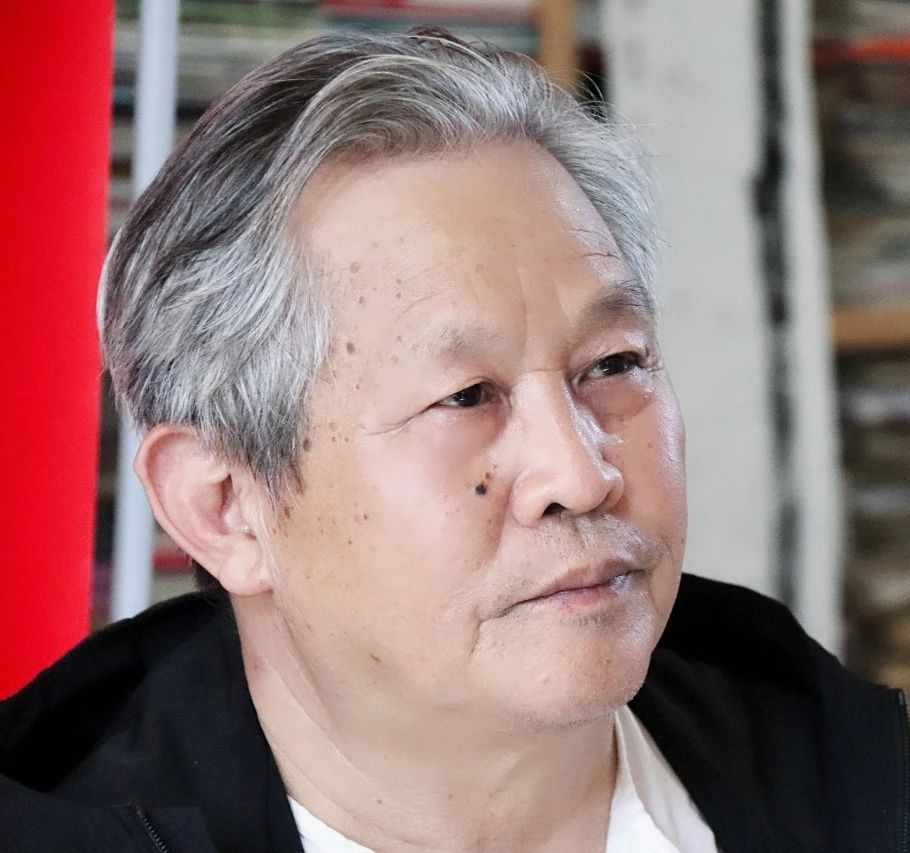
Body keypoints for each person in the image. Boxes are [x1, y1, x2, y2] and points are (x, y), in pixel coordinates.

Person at [0, 28, 906, 853]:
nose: (581, 474)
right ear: (225, 506)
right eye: (467, 395)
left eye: (613, 362)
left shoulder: (863, 779)